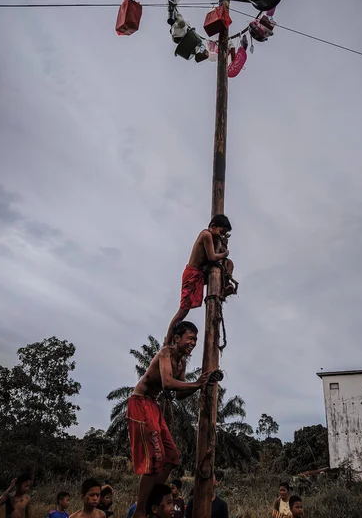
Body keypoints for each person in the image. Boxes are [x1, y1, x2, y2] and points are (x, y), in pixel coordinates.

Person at [127, 321, 213, 518]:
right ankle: (140, 511)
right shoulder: (166, 352)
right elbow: (167, 383)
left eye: (196, 340)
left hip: (153, 405)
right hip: (140, 403)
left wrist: (201, 385)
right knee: (154, 461)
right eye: (190, 338)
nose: (193, 343)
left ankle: (151, 500)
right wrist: (197, 384)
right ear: (177, 338)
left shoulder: (181, 362)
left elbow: (179, 393)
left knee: (172, 458)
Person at [165, 215, 233, 344]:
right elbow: (212, 257)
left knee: (229, 264)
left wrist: (222, 246)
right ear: (213, 226)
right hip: (192, 274)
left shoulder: (214, 238)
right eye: (220, 231)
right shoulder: (206, 235)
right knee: (183, 311)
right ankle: (167, 342)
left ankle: (225, 287)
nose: (220, 235)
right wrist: (224, 253)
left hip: (201, 274)